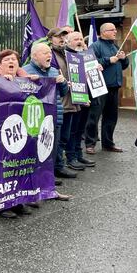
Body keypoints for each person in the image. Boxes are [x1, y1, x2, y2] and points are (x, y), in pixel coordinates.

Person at [0, 49, 40, 218]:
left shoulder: (23, 80)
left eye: (15, 60)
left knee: (19, 166)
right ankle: (1, 206)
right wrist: (2, 82)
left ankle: (18, 201)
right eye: (7, 60)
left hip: (19, 130)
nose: (12, 62)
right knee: (3, 167)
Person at [23, 42, 72, 201]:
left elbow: (63, 93)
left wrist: (62, 82)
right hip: (35, 122)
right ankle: (32, 190)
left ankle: (48, 189)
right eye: (45, 53)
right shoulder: (25, 72)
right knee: (34, 157)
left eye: (49, 53)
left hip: (53, 119)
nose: (49, 56)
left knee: (49, 155)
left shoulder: (53, 71)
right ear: (34, 55)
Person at [85, 22, 128, 154]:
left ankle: (108, 143)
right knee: (94, 116)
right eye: (112, 30)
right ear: (103, 32)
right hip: (99, 87)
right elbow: (90, 64)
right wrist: (108, 60)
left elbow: (124, 66)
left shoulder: (115, 46)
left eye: (115, 29)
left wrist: (124, 58)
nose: (115, 32)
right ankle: (90, 143)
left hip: (114, 87)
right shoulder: (95, 46)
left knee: (111, 117)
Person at [49, 27, 81, 177]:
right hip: (60, 101)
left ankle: (60, 164)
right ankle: (57, 167)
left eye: (64, 36)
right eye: (58, 36)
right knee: (57, 138)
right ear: (50, 39)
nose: (61, 39)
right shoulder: (50, 54)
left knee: (65, 136)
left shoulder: (67, 54)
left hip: (71, 101)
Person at [64, 31, 97, 171]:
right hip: (75, 98)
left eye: (80, 39)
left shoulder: (86, 54)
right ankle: (71, 157)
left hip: (87, 96)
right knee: (73, 130)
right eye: (75, 39)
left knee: (80, 129)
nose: (79, 41)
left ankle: (78, 154)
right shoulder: (67, 55)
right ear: (68, 42)